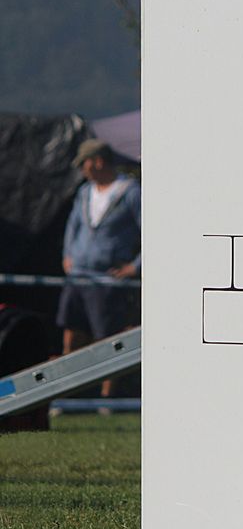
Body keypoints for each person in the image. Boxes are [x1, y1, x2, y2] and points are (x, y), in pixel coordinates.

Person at [57, 138, 141, 397]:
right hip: (78, 277)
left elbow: (152, 230)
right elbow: (73, 226)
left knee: (106, 339)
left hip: (107, 280)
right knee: (71, 334)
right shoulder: (84, 192)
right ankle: (67, 391)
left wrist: (135, 267)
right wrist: (68, 255)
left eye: (84, 163)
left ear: (98, 161)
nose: (82, 169)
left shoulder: (131, 191)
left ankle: (106, 399)